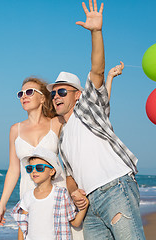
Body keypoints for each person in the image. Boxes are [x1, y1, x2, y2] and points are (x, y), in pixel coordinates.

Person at [46, 1, 146, 239]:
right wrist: (73, 193)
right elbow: (70, 176)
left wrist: (96, 32)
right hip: (89, 205)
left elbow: (97, 70)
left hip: (115, 189)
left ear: (77, 94)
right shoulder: (61, 138)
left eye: (62, 91)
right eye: (53, 93)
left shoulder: (88, 107)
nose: (56, 96)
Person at [0, 76, 68, 239]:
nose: (24, 96)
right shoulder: (15, 129)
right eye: (21, 94)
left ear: (42, 97)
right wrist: (2, 204)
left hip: (57, 192)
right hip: (29, 193)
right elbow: (14, 170)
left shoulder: (57, 123)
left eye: (29, 92)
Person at [11, 147, 89, 240]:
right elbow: (23, 225)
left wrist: (85, 204)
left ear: (52, 171)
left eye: (39, 167)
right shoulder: (27, 196)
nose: (34, 171)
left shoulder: (60, 194)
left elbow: (75, 222)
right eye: (30, 168)